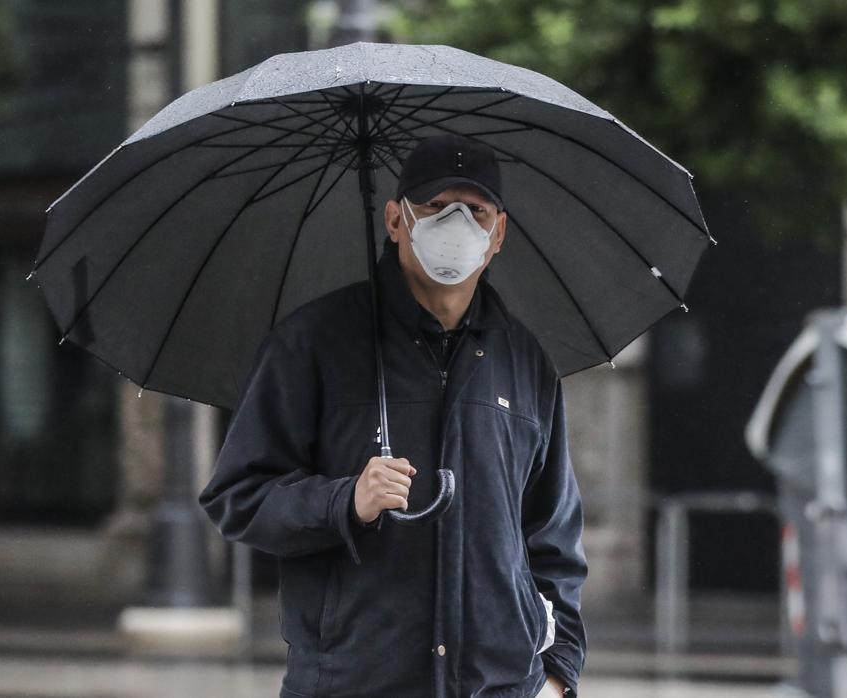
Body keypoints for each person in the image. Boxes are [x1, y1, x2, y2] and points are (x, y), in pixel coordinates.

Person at [199, 134, 587, 698]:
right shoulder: (313, 343)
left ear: (497, 233)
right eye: (434, 207)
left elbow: (554, 539)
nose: (455, 223)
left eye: (474, 211)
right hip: (353, 682)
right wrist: (344, 502)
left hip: (499, 687)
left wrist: (557, 675)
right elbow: (236, 497)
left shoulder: (527, 364)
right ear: (395, 219)